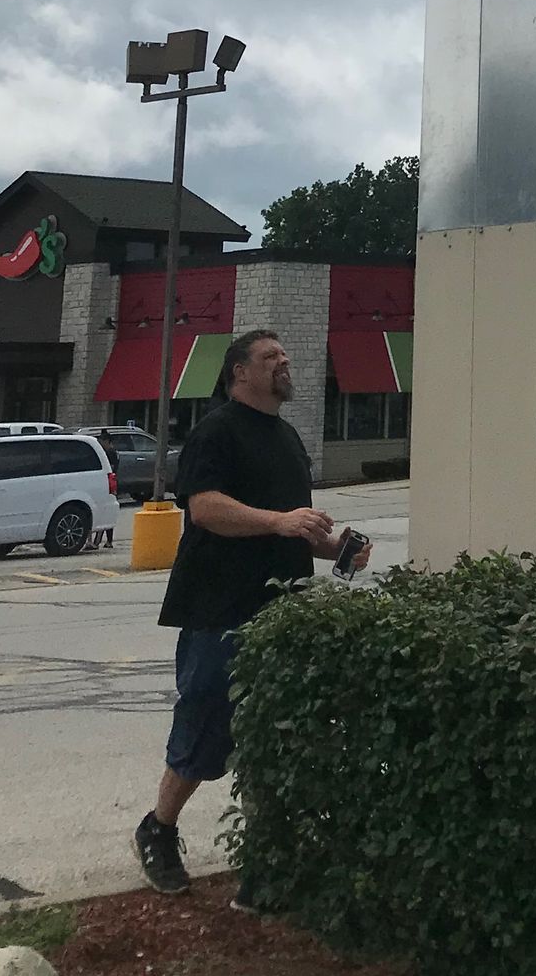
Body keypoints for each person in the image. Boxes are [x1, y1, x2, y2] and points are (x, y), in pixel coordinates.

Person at [133, 326, 371, 898]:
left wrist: (334, 546)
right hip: (220, 608)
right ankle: (159, 829)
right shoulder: (215, 432)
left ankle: (266, 859)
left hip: (283, 612)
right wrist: (281, 521)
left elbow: (293, 528)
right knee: (207, 723)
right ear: (240, 372)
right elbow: (207, 509)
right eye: (271, 357)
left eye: (285, 355)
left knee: (277, 733)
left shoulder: (288, 437)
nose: (284, 362)